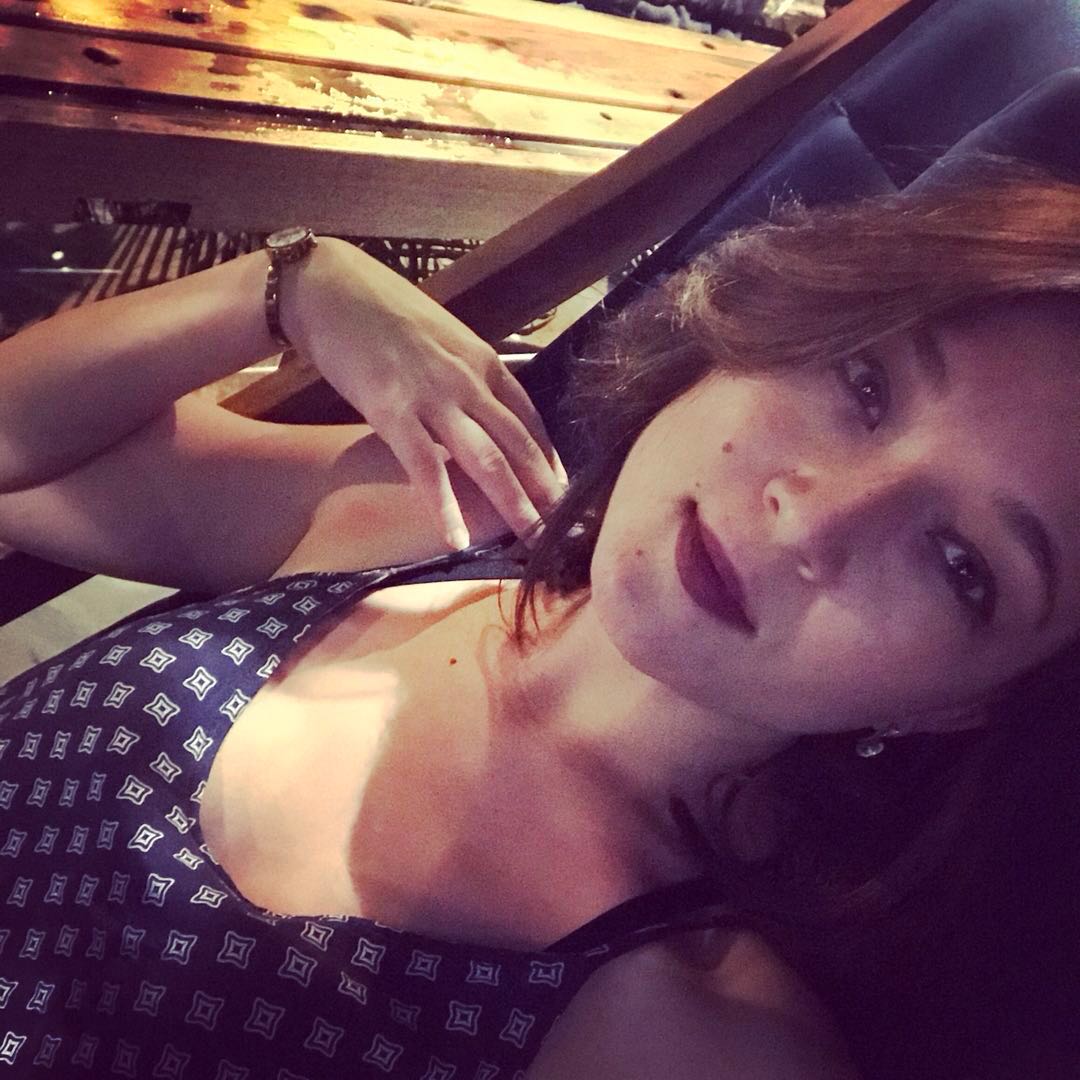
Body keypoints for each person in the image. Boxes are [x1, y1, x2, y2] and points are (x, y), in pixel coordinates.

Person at [0, 159, 1077, 1079]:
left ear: (969, 703)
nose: (813, 518)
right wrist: (287, 286)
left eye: (962, 565)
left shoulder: (686, 1040)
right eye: (866, 384)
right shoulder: (427, 516)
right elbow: (25, 469)